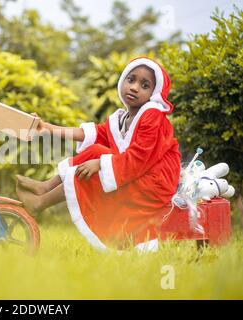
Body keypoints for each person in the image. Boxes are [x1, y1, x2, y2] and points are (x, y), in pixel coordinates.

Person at [17, 57, 181, 252]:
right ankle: (44, 188)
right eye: (131, 80)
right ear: (122, 82)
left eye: (144, 85)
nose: (135, 87)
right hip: (136, 172)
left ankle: (40, 203)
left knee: (95, 168)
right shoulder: (122, 118)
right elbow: (90, 134)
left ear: (153, 93)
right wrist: (46, 128)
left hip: (155, 183)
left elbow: (138, 158)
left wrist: (100, 164)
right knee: (95, 149)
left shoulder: (153, 116)